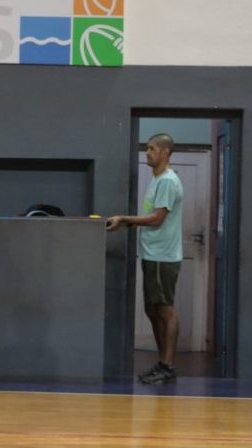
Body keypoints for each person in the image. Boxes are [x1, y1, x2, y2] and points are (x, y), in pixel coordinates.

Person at [107, 133, 184, 384]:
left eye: (152, 149)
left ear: (165, 152)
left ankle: (168, 365)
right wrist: (127, 223)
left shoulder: (168, 182)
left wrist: (125, 219)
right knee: (152, 309)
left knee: (165, 310)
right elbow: (152, 217)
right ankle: (162, 363)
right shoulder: (157, 180)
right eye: (147, 149)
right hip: (153, 254)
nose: (147, 153)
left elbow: (158, 218)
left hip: (163, 257)